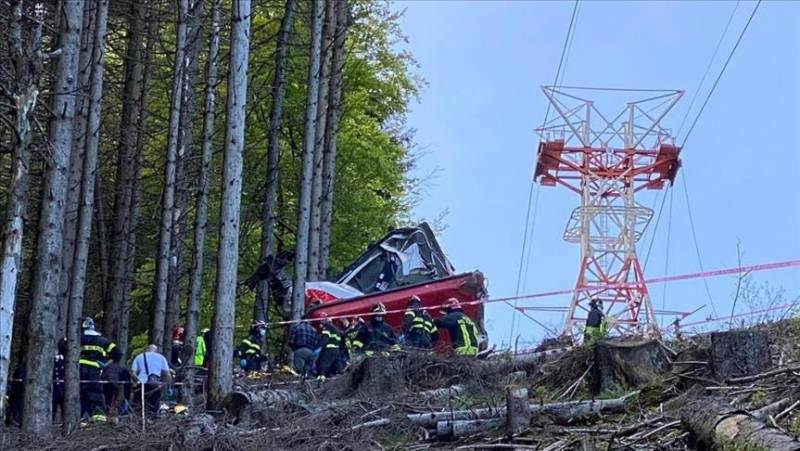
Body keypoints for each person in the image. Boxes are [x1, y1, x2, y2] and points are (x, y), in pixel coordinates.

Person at [80, 317, 122, 421]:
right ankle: (98, 419)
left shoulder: (78, 338)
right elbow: (118, 353)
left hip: (79, 370)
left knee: (80, 394)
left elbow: (62, 345)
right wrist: (106, 364)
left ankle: (82, 417)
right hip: (95, 371)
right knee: (96, 394)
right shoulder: (102, 340)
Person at [131, 344, 172, 416]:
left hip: (142, 385)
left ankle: (138, 420)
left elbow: (133, 373)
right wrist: (168, 387)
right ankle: (152, 420)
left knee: (138, 406)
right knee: (154, 407)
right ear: (156, 351)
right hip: (155, 386)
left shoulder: (139, 357)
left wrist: (137, 381)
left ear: (147, 349)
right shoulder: (161, 358)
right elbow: (167, 374)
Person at [315, 314, 344, 380]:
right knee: (336, 365)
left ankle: (321, 379)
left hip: (329, 350)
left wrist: (318, 345)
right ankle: (338, 376)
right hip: (336, 350)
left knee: (323, 363)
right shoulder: (337, 330)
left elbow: (325, 339)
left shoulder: (327, 327)